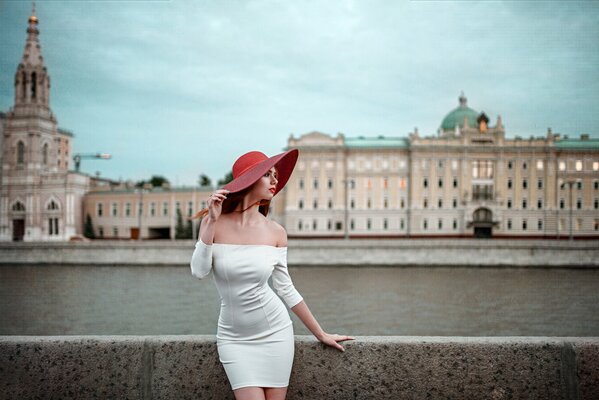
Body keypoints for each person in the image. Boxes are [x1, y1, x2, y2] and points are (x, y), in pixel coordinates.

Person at [190, 149, 354, 400]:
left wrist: (320, 333)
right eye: (268, 174)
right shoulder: (215, 223)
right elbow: (199, 271)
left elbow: (286, 289)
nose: (275, 181)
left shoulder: (276, 232)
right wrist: (211, 221)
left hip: (275, 334)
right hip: (233, 338)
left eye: (275, 175)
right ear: (249, 181)